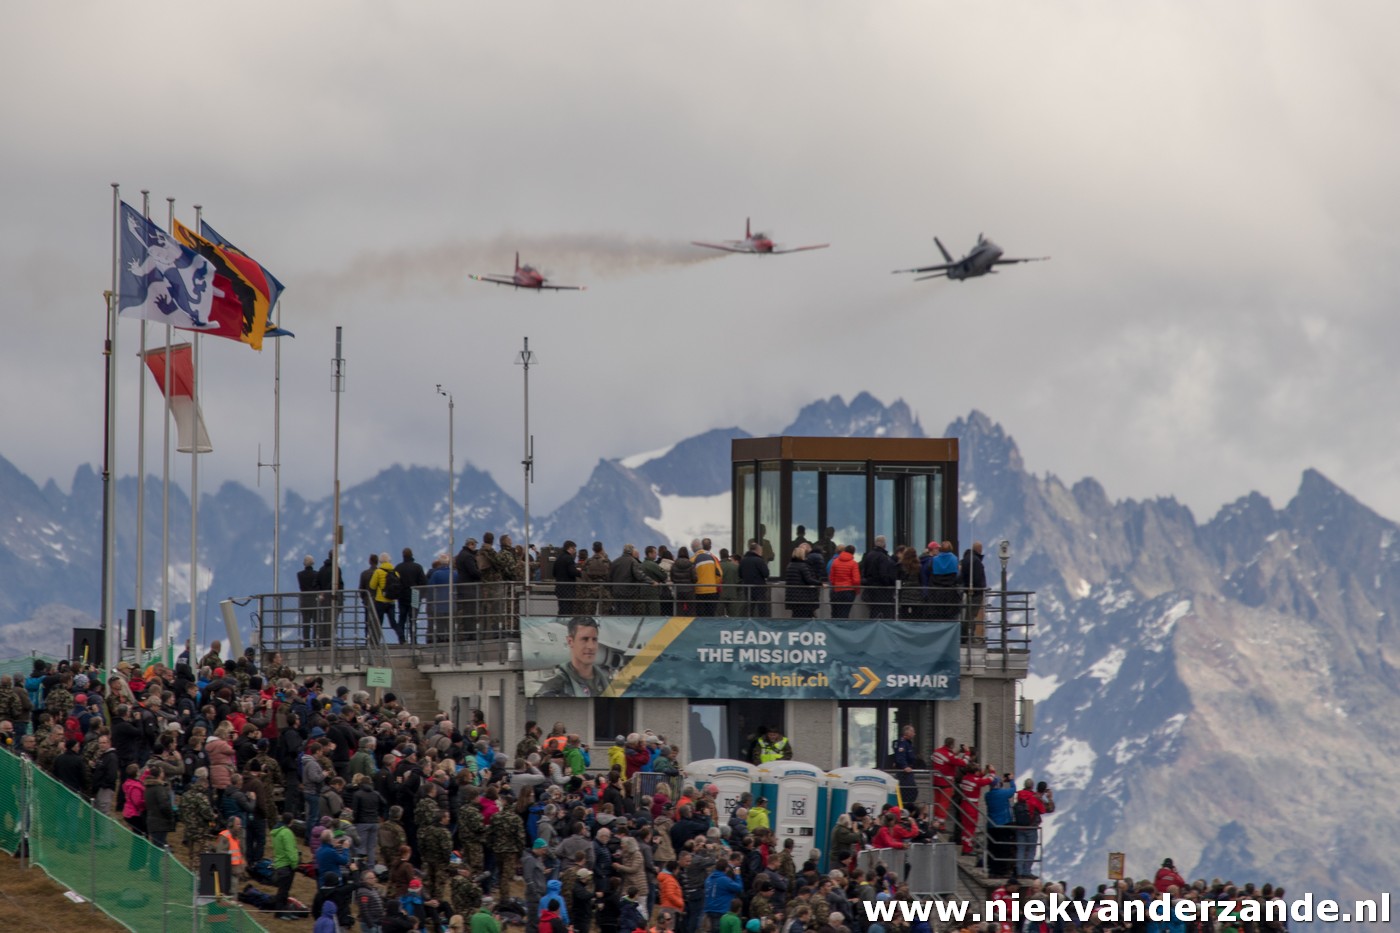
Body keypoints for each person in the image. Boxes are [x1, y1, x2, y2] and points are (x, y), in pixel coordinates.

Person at [536, 617, 611, 698]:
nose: (591, 646)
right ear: (570, 641)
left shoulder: (609, 684)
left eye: (594, 640)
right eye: (584, 639)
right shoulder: (552, 690)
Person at [859, 536, 896, 619]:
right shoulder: (883, 557)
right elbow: (883, 573)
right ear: (884, 544)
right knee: (884, 611)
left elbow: (864, 570)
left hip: (870, 587)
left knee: (874, 609)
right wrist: (888, 584)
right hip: (880, 588)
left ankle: (873, 624)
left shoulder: (868, 555)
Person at [958, 542, 988, 641]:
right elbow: (978, 578)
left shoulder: (965, 559)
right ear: (979, 550)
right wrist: (979, 588)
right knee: (971, 615)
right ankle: (968, 637)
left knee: (968, 615)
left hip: (967, 591)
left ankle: (966, 635)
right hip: (975, 592)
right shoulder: (976, 561)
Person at [397, 547, 428, 643]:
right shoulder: (417, 567)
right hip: (415, 594)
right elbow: (423, 583)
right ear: (412, 555)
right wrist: (421, 595)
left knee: (402, 618)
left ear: (403, 556)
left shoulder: (398, 568)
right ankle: (414, 640)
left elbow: (395, 583)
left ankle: (402, 639)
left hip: (402, 595)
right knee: (413, 618)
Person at [369, 552, 400, 642]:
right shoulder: (395, 572)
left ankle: (375, 641)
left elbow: (372, 586)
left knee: (378, 622)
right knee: (393, 622)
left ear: (380, 561)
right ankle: (402, 638)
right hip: (391, 601)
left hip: (380, 600)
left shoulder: (378, 572)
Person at [784, 547, 819, 619]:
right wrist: (820, 583)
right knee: (805, 617)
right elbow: (808, 579)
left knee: (796, 616)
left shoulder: (790, 565)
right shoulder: (802, 566)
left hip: (792, 596)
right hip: (802, 597)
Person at [738, 540, 770, 617]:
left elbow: (740, 574)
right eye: (761, 550)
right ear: (757, 550)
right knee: (762, 608)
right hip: (759, 588)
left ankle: (749, 621)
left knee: (749, 607)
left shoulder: (743, 561)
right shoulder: (759, 561)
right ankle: (762, 622)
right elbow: (766, 574)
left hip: (747, 588)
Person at [828, 545, 861, 618]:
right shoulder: (853, 563)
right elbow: (856, 580)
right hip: (849, 591)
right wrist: (857, 591)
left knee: (835, 614)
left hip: (837, 590)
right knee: (844, 613)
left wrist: (834, 586)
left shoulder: (835, 562)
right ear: (853, 553)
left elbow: (831, 577)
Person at [692, 539, 723, 616]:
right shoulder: (712, 557)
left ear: (692, 549)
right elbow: (720, 574)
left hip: (699, 591)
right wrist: (714, 584)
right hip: (712, 590)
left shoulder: (692, 559)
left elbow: (691, 576)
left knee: (700, 615)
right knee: (710, 615)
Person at [891, 725, 920, 804]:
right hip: (904, 773)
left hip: (909, 771)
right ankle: (904, 807)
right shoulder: (902, 743)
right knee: (909, 791)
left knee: (911, 791)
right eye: (913, 732)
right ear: (907, 732)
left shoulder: (908, 743)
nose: (914, 734)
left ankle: (906, 806)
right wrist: (905, 766)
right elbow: (900, 756)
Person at [298, 555, 322, 647]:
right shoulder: (316, 574)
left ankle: (306, 643)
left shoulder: (300, 575)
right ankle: (315, 641)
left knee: (306, 624)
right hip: (314, 601)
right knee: (316, 624)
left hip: (304, 601)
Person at [553, 542, 581, 616]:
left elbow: (554, 573)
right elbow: (572, 572)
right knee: (568, 611)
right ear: (570, 548)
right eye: (574, 549)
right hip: (568, 589)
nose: (575, 551)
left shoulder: (559, 558)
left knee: (562, 609)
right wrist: (579, 572)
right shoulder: (569, 558)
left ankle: (560, 622)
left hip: (559, 588)